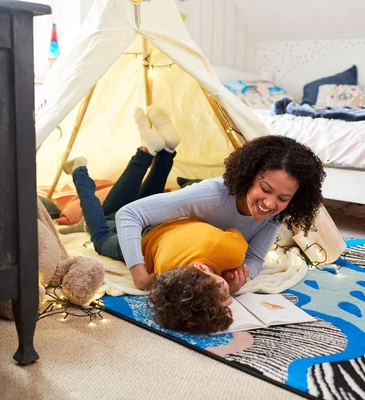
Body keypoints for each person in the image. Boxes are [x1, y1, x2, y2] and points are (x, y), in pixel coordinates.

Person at [62, 106, 246, 333]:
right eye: (227, 299)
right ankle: (84, 168)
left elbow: (236, 232)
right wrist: (232, 285)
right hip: (151, 231)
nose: (229, 300)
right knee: (107, 224)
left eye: (223, 296)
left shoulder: (232, 250)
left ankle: (163, 151)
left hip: (160, 225)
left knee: (116, 222)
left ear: (199, 268)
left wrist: (231, 283)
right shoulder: (166, 278)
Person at [117, 131, 326, 294]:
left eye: (283, 198)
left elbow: (254, 258)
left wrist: (237, 279)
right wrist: (141, 277)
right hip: (154, 237)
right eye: (265, 189)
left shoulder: (276, 214)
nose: (270, 203)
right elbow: (129, 214)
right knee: (103, 230)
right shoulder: (212, 195)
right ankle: (150, 152)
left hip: (198, 252)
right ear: (250, 176)